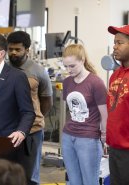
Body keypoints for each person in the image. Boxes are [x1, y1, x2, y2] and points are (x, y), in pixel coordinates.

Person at [6, 31, 53, 185]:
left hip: (32, 131)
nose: (13, 52)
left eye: (17, 49)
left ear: (26, 49)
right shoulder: (2, 68)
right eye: (10, 49)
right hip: (7, 129)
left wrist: (34, 118)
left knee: (30, 176)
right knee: (8, 173)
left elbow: (46, 100)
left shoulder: (38, 71)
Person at [61, 44, 107, 185]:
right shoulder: (67, 82)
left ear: (82, 60)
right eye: (66, 66)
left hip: (88, 140)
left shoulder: (96, 82)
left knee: (89, 181)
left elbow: (104, 114)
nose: (68, 70)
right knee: (73, 181)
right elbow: (69, 110)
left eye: (72, 66)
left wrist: (104, 136)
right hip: (68, 137)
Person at [106, 25, 129, 185]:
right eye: (114, 42)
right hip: (114, 147)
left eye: (119, 42)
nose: (115, 46)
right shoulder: (115, 75)